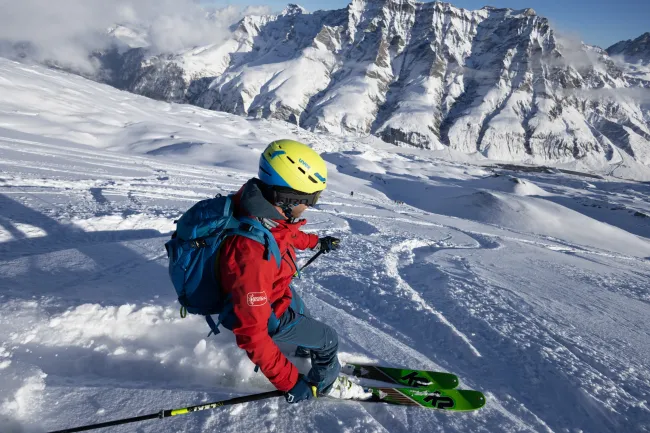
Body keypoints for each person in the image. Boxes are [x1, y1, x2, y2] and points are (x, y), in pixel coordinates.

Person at [216, 139, 370, 404]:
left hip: (276, 291)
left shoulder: (260, 210)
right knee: (329, 339)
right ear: (288, 198)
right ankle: (325, 383)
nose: (310, 206)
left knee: (302, 311)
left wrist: (316, 242)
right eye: (309, 199)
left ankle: (304, 351)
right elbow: (252, 333)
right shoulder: (252, 254)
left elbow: (285, 235)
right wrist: (289, 382)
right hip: (268, 311)